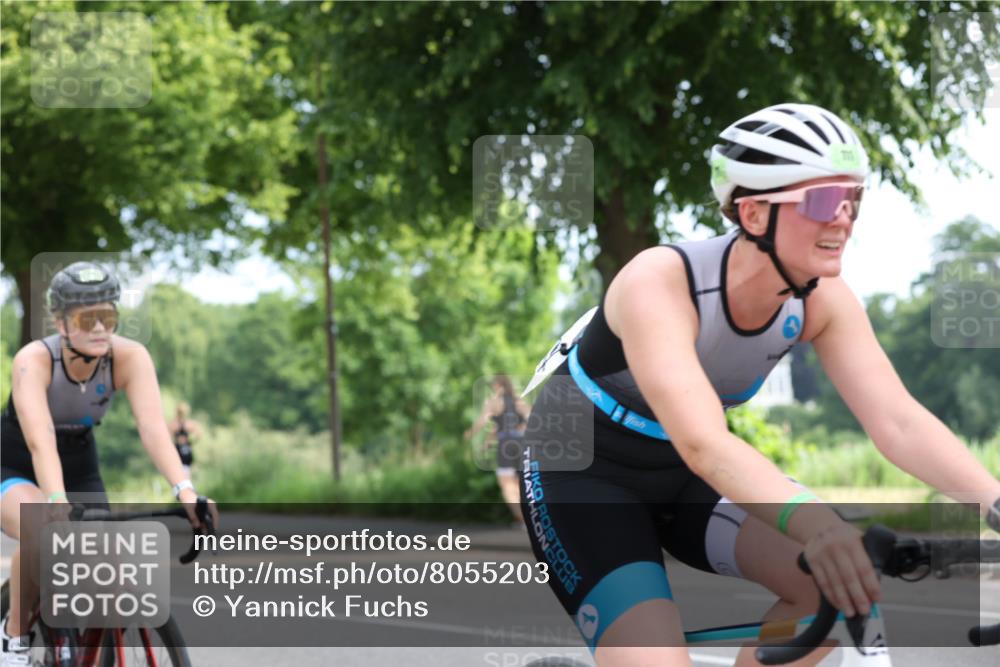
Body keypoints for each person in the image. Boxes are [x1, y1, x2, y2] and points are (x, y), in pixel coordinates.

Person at [519, 103, 1000, 667]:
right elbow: (704, 440)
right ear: (751, 213)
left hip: (689, 478)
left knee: (833, 589)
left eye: (853, 200)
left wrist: (995, 503)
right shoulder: (659, 282)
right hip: (585, 475)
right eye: (822, 201)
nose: (843, 218)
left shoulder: (824, 302)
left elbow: (899, 422)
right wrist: (821, 525)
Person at [0, 262, 218, 667]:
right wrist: (54, 499)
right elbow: (39, 439)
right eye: (88, 318)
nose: (100, 328)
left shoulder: (130, 358)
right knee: (40, 530)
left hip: (80, 461)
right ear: (61, 323)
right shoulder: (34, 359)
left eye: (109, 317)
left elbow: (153, 430)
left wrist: (185, 492)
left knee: (111, 569)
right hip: (13, 464)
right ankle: (12, 639)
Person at [465, 374, 531, 522]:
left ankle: (522, 519)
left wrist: (469, 433)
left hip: (506, 446)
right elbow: (530, 417)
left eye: (493, 385)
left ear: (498, 386)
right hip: (522, 442)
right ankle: (530, 518)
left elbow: (483, 421)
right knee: (520, 482)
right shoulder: (518, 401)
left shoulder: (494, 402)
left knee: (506, 483)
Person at [167, 401, 203, 478]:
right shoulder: (188, 424)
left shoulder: (173, 425)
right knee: (185, 473)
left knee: (180, 473)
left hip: (180, 450)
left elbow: (167, 438)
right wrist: (191, 442)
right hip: (185, 450)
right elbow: (199, 434)